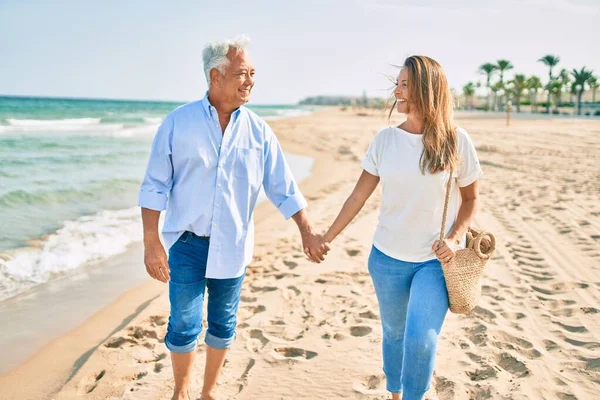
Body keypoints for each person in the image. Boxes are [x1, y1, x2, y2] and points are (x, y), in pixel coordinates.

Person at [138, 36, 329, 400]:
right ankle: (181, 392)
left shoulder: (259, 131)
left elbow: (283, 187)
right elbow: (154, 186)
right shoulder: (178, 123)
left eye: (253, 73)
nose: (250, 81)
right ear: (216, 76)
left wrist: (307, 231)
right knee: (183, 324)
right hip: (187, 244)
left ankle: (208, 392)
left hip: (235, 244)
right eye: (243, 73)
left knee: (224, 324)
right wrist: (152, 243)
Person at [323, 55, 483, 400]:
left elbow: (471, 200)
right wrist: (326, 237)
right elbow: (357, 197)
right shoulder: (385, 141)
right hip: (387, 259)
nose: (396, 91)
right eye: (397, 83)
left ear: (426, 90)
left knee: (421, 340)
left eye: (404, 84)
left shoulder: (457, 141)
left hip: (435, 262)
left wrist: (455, 239)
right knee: (394, 332)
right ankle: (394, 393)